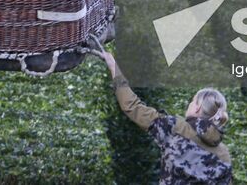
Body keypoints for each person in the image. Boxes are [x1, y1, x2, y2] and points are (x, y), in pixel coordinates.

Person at [98, 49, 232, 184]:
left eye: (192, 101)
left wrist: (113, 66)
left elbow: (132, 106)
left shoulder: (175, 128)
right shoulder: (224, 155)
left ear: (197, 107)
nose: (190, 104)